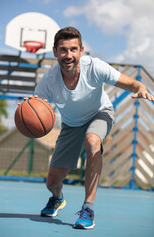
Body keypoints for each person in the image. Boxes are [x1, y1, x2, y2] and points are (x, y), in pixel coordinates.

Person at [33, 27, 154, 229]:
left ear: (81, 51)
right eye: (63, 50)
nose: (68, 55)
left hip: (100, 113)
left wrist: (140, 87)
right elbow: (36, 107)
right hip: (71, 125)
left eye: (73, 49)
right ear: (55, 52)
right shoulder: (48, 81)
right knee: (52, 182)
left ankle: (88, 208)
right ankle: (57, 198)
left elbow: (131, 83)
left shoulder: (95, 67)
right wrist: (28, 111)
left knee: (92, 141)